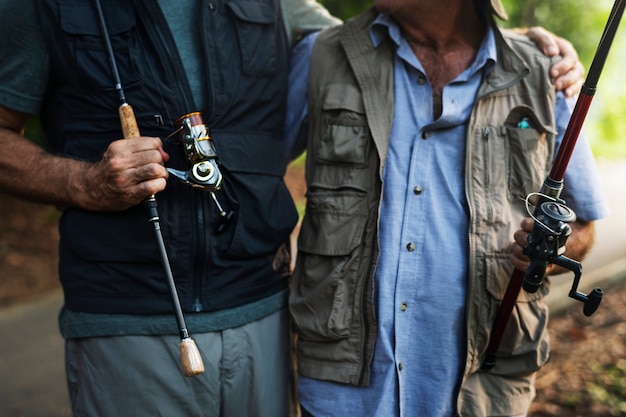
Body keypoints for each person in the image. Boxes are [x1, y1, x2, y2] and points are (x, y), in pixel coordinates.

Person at [0, 0, 585, 416]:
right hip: (126, 320)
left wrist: (516, 48)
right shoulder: (42, 5)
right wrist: (84, 183)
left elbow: (378, 46)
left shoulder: (296, 16)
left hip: (261, 319)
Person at [286, 1, 609, 416]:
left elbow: (583, 226)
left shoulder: (544, 72)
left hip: (483, 393)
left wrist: (543, 256)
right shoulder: (323, 55)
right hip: (343, 392)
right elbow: (249, 174)